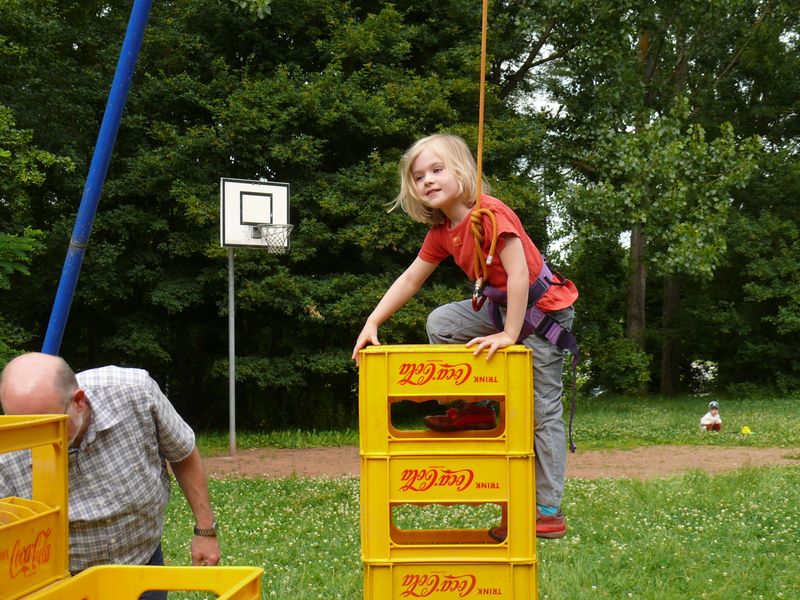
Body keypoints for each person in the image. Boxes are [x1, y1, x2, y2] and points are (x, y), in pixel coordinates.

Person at [351, 134, 579, 539]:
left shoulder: (490, 215)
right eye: (419, 176)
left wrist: (509, 334)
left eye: (437, 170)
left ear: (462, 171)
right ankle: (475, 407)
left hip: (541, 310)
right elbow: (410, 279)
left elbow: (519, 273)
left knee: (541, 412)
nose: (427, 180)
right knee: (443, 323)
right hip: (502, 308)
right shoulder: (443, 231)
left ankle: (547, 511)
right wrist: (373, 322)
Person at [0, 352, 220, 600]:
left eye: (46, 427)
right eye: (23, 427)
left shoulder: (135, 393)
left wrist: (205, 531)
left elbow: (183, 453)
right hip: (66, 586)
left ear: (79, 401)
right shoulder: (6, 445)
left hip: (141, 565)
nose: (34, 441)